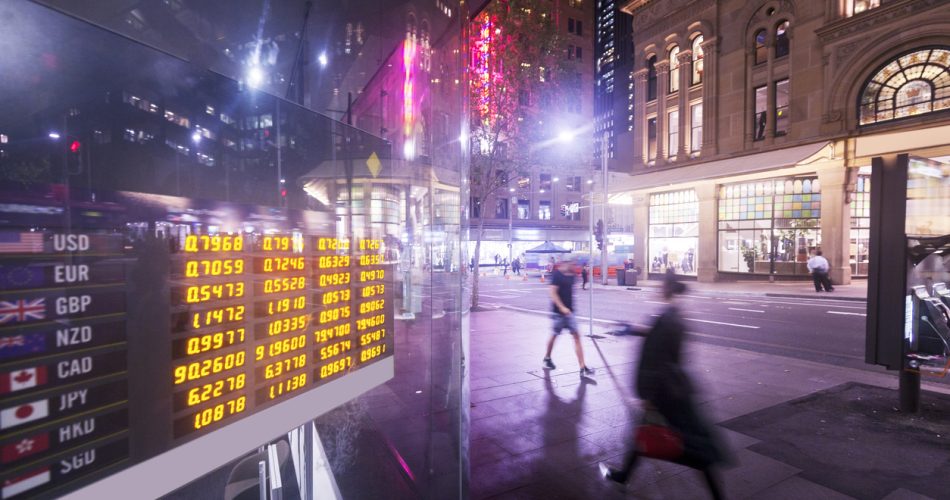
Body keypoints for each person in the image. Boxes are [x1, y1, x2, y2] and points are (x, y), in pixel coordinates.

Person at [599, 270, 728, 498]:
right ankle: (623, 476)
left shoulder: (667, 319)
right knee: (647, 434)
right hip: (676, 388)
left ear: (667, 289)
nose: (657, 289)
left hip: (666, 393)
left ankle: (718, 496)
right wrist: (631, 329)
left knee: (691, 448)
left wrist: (649, 396)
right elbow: (655, 336)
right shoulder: (675, 314)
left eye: (660, 287)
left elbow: (659, 359)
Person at [543, 257, 595, 379]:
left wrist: (570, 309)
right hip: (558, 313)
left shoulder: (572, 276)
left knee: (577, 337)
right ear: (566, 263)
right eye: (573, 264)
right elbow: (552, 293)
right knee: (554, 335)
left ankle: (582, 367)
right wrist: (561, 307)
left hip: (570, 313)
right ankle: (547, 357)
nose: (575, 266)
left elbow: (570, 294)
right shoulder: (557, 275)